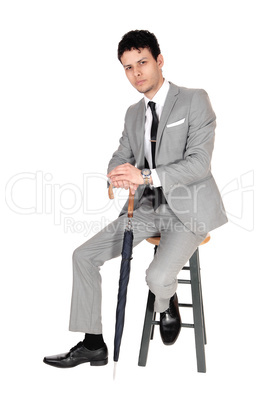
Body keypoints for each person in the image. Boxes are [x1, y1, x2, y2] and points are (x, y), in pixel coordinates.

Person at [43, 30, 227, 368]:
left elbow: (199, 162)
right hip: (145, 209)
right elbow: (120, 155)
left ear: (159, 60)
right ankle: (93, 344)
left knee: (157, 278)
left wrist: (144, 175)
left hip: (187, 211)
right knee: (82, 256)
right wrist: (117, 173)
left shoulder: (194, 99)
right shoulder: (132, 113)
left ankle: (165, 297)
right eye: (128, 67)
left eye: (142, 62)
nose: (136, 73)